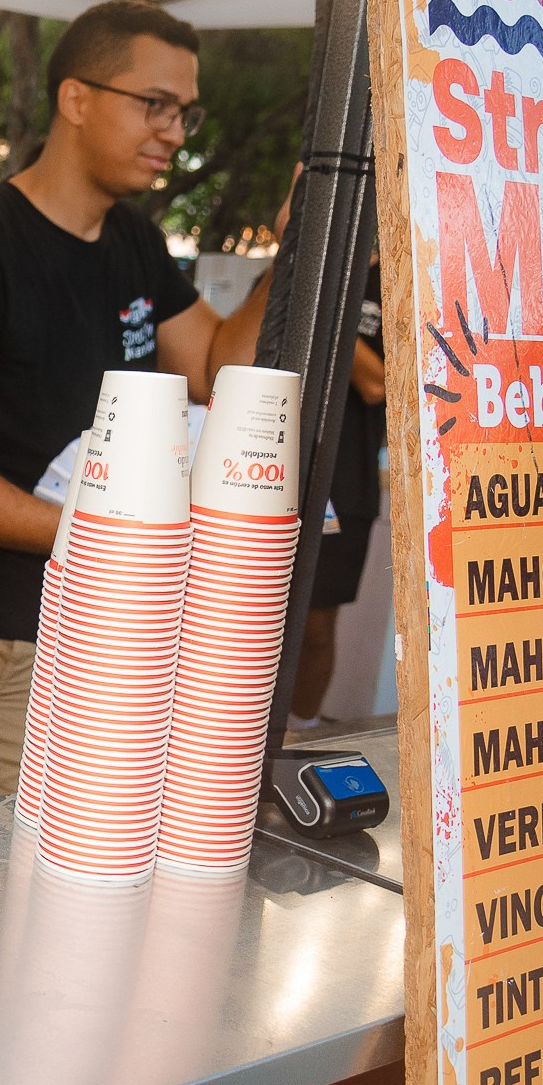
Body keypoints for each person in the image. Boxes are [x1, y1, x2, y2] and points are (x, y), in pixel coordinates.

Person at [0, 0, 235, 804]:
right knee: (11, 880)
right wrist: (103, 531)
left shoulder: (135, 242)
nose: (176, 132)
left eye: (185, 110)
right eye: (155, 104)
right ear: (76, 99)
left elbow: (222, 372)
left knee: (102, 856)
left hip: (110, 622)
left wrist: (296, 242)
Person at [212, 191, 387, 732]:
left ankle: (300, 733)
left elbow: (377, 381)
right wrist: (306, 264)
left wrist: (328, 287)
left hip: (345, 475)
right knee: (244, 614)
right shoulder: (288, 276)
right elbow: (231, 360)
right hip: (263, 469)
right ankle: (230, 735)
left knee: (314, 625)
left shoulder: (390, 284)